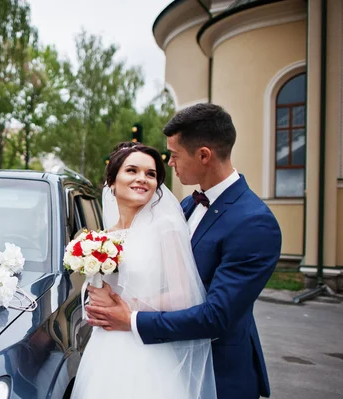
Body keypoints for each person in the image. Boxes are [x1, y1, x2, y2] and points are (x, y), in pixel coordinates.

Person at [86, 103, 282, 399]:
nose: (170, 163)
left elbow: (217, 315)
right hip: (158, 358)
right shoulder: (186, 207)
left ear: (203, 155)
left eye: (174, 156)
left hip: (219, 372)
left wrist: (130, 318)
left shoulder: (254, 222)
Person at [72, 142, 216, 399]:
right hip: (104, 347)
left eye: (151, 174)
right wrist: (95, 296)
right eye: (132, 170)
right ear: (112, 182)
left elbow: (183, 295)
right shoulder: (104, 237)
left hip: (144, 345)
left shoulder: (165, 227)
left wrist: (125, 309)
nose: (143, 179)